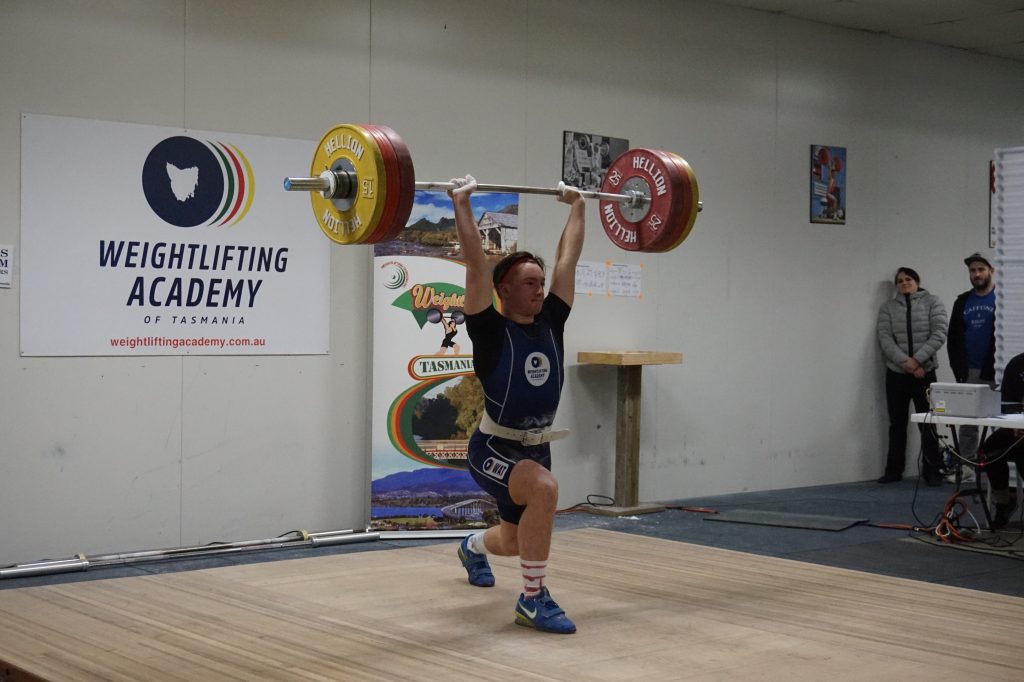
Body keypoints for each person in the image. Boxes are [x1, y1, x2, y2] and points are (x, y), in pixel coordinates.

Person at [449, 174, 584, 635]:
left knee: (510, 540)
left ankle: (471, 546)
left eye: (541, 283)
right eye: (529, 283)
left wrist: (578, 206)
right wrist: (462, 202)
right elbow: (474, 265)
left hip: (536, 447)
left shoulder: (551, 321)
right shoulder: (487, 329)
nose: (539, 290)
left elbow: (569, 258)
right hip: (494, 449)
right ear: (503, 290)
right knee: (544, 489)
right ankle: (531, 600)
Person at [876, 267, 948, 485]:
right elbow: (885, 337)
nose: (904, 283)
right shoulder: (888, 308)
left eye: (908, 279)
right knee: (896, 424)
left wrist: (917, 360)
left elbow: (939, 333)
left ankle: (932, 471)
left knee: (928, 423)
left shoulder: (933, 302)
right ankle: (893, 471)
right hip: (897, 373)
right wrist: (905, 363)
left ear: (917, 281)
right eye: (900, 281)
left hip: (924, 373)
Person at [946, 252, 997, 477]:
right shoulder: (963, 301)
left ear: (991, 271)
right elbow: (953, 337)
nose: (976, 274)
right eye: (972, 270)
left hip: (997, 368)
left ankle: (999, 467)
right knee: (968, 423)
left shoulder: (1001, 298)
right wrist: (958, 369)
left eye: (981, 270)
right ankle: (967, 465)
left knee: (1001, 420)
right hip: (970, 370)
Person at [980, 352, 1024, 528]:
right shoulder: (1017, 364)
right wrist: (1015, 424)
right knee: (991, 448)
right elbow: (1006, 403)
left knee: (1022, 453)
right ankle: (1004, 502)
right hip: (1016, 426)